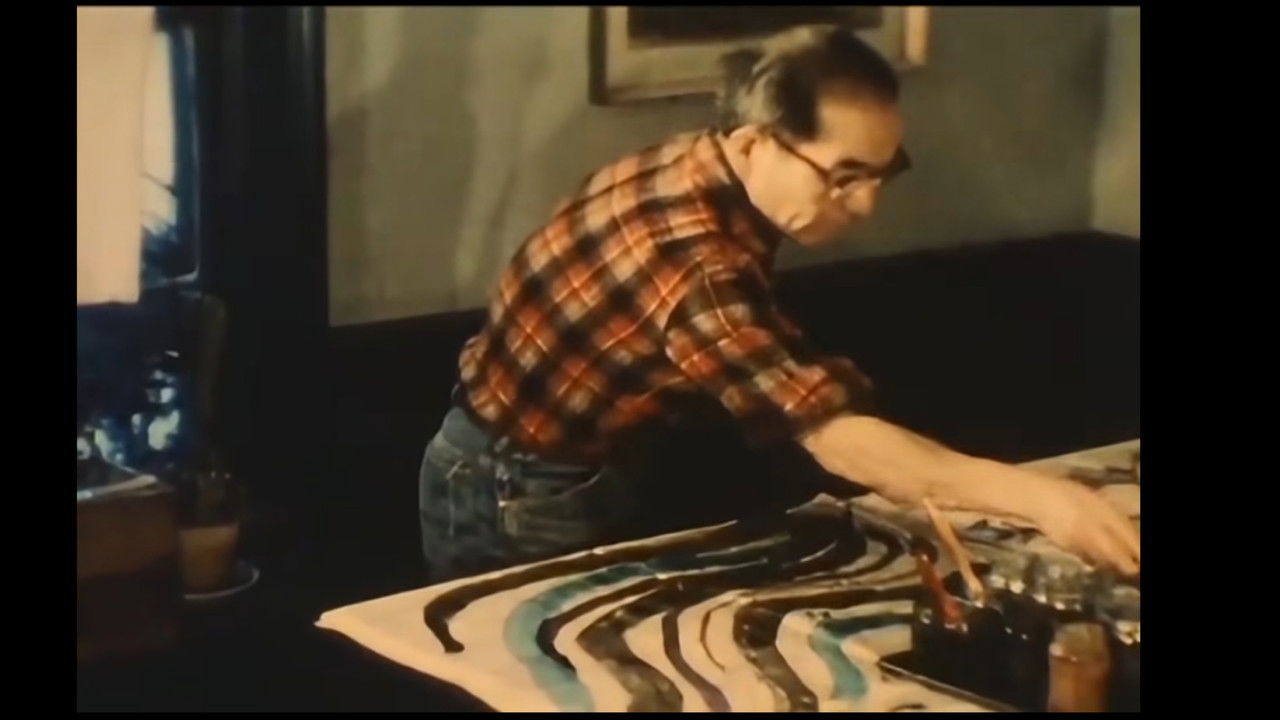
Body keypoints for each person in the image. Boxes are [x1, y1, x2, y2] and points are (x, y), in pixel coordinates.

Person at [418, 25, 1140, 583]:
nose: (865, 205)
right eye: (843, 177)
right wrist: (1047, 500)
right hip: (516, 490)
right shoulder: (691, 262)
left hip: (560, 458)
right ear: (754, 142)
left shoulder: (702, 161)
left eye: (883, 173)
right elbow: (831, 435)